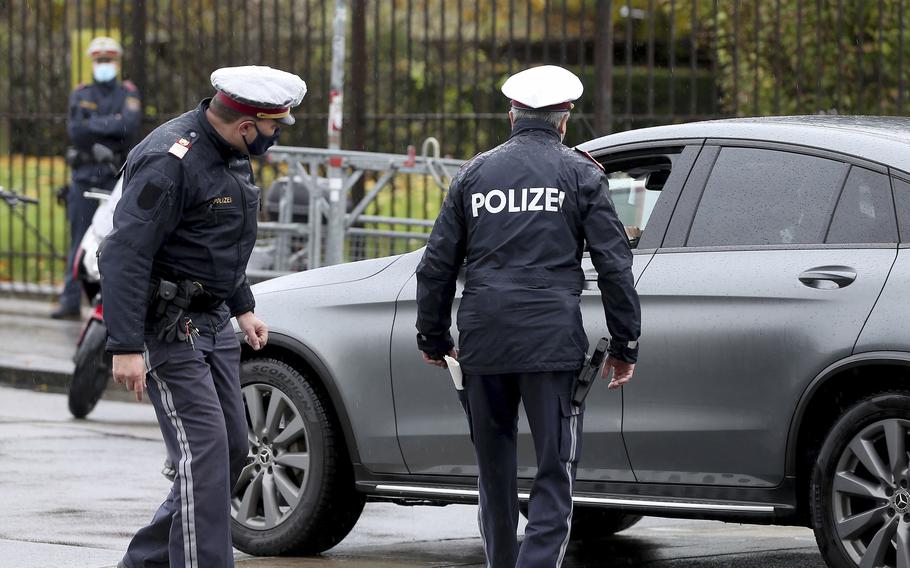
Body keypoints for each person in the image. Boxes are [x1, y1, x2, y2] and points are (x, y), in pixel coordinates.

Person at [415, 65, 641, 568]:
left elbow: (436, 266)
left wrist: (433, 338)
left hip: (483, 341)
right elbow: (614, 266)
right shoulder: (582, 174)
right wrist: (625, 346)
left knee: (492, 473)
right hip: (550, 344)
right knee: (552, 470)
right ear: (565, 120)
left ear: (512, 114)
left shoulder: (474, 174)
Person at [98, 65, 307, 568]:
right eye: (274, 128)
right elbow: (123, 253)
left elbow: (212, 244)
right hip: (169, 332)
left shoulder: (233, 155)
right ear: (246, 125)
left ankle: (142, 563)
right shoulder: (170, 161)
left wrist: (243, 307)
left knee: (233, 449)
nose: (276, 138)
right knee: (206, 457)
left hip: (213, 324)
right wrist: (125, 346)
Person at [53, 36, 142, 319]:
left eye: (109, 60)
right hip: (85, 176)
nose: (104, 65)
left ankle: (109, 302)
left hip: (114, 176)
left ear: (117, 62)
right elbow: (76, 132)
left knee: (115, 239)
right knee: (78, 237)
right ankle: (69, 300)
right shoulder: (81, 93)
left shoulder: (128, 93)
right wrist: (110, 125)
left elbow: (129, 127)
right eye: (100, 60)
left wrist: (94, 125)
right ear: (93, 62)